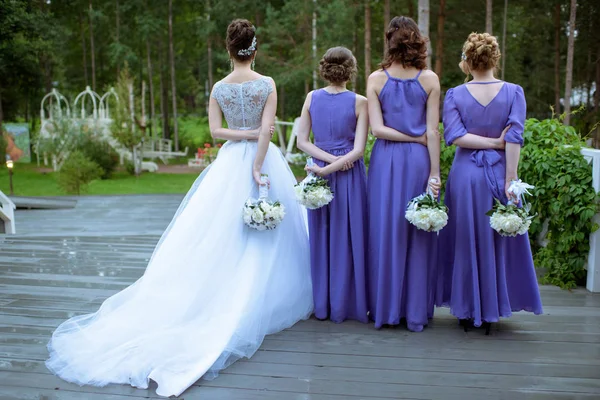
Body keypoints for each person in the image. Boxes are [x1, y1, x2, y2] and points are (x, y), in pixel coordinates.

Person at [45, 19, 313, 397]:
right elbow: (267, 130)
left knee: (221, 234)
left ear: (228, 48)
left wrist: (245, 139)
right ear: (255, 48)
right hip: (263, 162)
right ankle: (259, 296)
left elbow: (217, 133)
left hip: (229, 162)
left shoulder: (219, 87)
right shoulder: (267, 84)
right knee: (267, 231)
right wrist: (257, 163)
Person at [436, 32, 543, 334]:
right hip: (499, 173)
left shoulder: (455, 94)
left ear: (467, 61)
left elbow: (455, 137)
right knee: (496, 238)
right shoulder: (514, 92)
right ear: (495, 59)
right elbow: (514, 137)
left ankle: (467, 308)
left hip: (465, 175)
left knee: (466, 238)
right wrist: (511, 179)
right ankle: (492, 306)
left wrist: (488, 143)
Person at [366, 16, 441, 332]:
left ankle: (386, 309)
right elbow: (432, 132)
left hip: (386, 160)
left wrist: (408, 136)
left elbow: (378, 129)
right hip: (419, 160)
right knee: (417, 232)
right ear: (416, 41)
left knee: (386, 230)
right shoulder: (430, 80)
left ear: (389, 41)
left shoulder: (375, 79)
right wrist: (435, 173)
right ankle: (415, 312)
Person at [297, 46, 369, 323]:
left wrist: (324, 165)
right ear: (351, 69)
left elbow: (303, 140)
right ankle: (346, 305)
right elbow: (358, 151)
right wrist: (334, 163)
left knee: (322, 237)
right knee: (348, 238)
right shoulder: (360, 101)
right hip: (346, 175)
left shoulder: (311, 97)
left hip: (318, 171)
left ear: (324, 68)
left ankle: (324, 305)